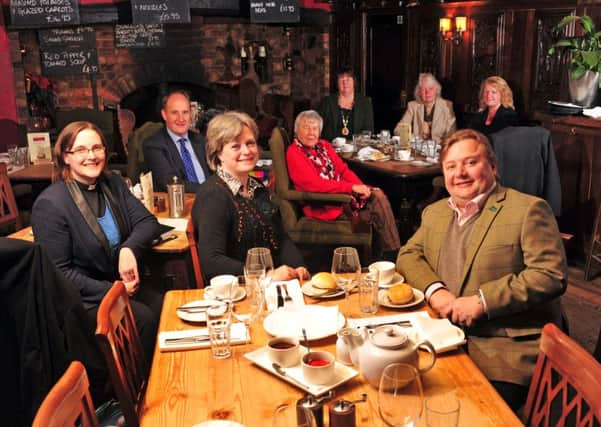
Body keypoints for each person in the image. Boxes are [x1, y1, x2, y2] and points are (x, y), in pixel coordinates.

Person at [396, 129, 567, 411]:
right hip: (441, 339)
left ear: (493, 167)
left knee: (462, 413)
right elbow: (409, 254)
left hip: (503, 352)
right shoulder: (435, 212)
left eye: (470, 162)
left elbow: (550, 275)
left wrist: (482, 302)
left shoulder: (528, 209)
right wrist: (435, 292)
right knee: (399, 394)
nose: (460, 173)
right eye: (451, 166)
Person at [31, 121, 163, 361]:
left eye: (97, 148)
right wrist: (114, 291)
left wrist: (128, 249)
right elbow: (60, 273)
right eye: (81, 150)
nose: (91, 156)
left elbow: (147, 222)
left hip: (119, 284)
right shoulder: (50, 205)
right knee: (143, 318)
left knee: (165, 304)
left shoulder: (112, 184)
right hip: (83, 298)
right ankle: (130, 395)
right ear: (66, 157)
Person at [192, 111, 310, 282]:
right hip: (236, 293)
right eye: (235, 146)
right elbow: (212, 261)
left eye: (250, 143)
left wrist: (299, 267)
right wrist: (265, 276)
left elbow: (281, 237)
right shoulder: (213, 196)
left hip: (273, 286)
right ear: (218, 153)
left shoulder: (258, 187)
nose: (246, 151)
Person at [286, 110, 401, 259]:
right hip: (324, 205)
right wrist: (350, 188)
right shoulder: (294, 152)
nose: (311, 133)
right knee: (377, 206)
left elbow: (343, 170)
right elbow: (315, 184)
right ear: (297, 131)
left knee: (377, 197)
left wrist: (361, 187)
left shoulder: (324, 146)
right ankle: (392, 256)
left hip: (342, 197)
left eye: (314, 128)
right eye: (306, 128)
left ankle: (387, 255)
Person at [144, 90, 212, 192]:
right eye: (174, 113)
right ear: (164, 115)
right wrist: (210, 190)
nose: (181, 119)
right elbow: (171, 184)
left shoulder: (202, 140)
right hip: (180, 203)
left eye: (185, 112)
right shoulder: (154, 145)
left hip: (212, 201)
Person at [394, 72, 456, 143]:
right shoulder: (413, 106)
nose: (427, 92)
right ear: (419, 92)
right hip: (417, 150)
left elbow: (452, 135)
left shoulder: (447, 106)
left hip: (439, 150)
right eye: (423, 89)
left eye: (431, 88)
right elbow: (398, 130)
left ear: (437, 90)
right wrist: (414, 139)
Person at [318, 66, 374, 141]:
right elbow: (318, 127)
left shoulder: (365, 103)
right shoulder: (327, 102)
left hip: (356, 149)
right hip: (331, 148)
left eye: (348, 79)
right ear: (337, 83)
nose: (345, 82)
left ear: (354, 81)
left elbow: (368, 131)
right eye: (341, 79)